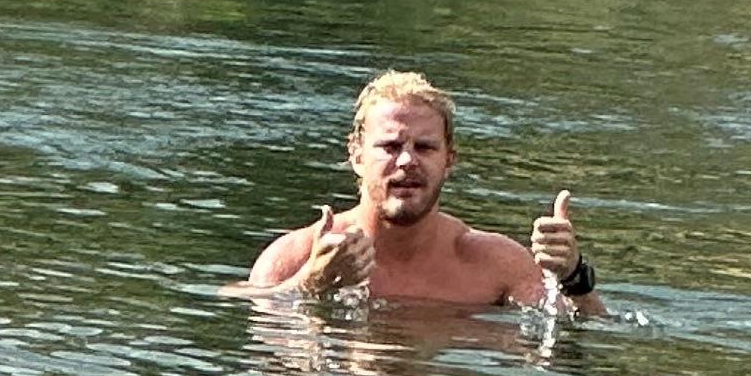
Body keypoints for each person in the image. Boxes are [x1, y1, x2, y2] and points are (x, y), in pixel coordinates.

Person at [246, 70, 599, 313]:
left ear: (449, 160)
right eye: (390, 146)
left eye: (425, 147)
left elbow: (583, 338)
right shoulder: (295, 258)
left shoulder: (495, 265)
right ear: (357, 156)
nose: (407, 161)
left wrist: (572, 277)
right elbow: (245, 310)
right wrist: (312, 283)